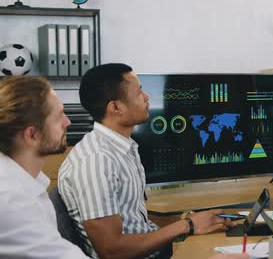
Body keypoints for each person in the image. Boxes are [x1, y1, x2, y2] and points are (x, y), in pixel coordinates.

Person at [58, 64, 243, 259]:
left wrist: (189, 220)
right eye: (139, 92)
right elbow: (112, 250)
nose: (147, 96)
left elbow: (135, 221)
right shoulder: (96, 161)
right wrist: (187, 226)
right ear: (115, 107)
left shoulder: (124, 147)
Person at [0, 76, 89, 258]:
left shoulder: (27, 180)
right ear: (32, 134)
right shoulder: (10, 201)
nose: (68, 122)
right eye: (59, 116)